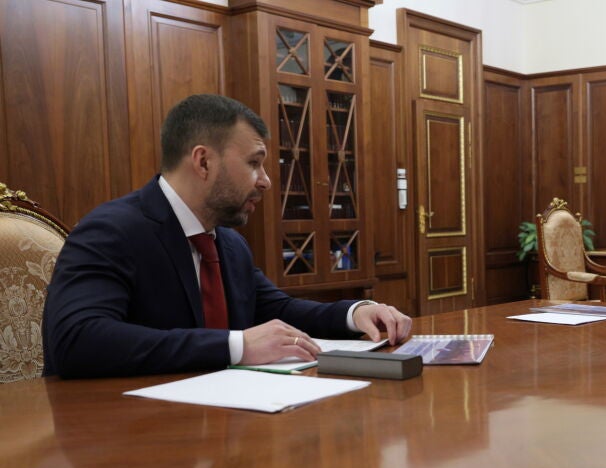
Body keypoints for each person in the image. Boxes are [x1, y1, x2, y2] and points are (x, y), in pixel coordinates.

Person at [43, 94, 412, 378]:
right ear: (203, 162)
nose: (266, 181)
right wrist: (237, 345)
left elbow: (279, 311)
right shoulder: (110, 230)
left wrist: (356, 313)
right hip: (119, 432)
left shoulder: (229, 243)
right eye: (254, 163)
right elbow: (77, 341)